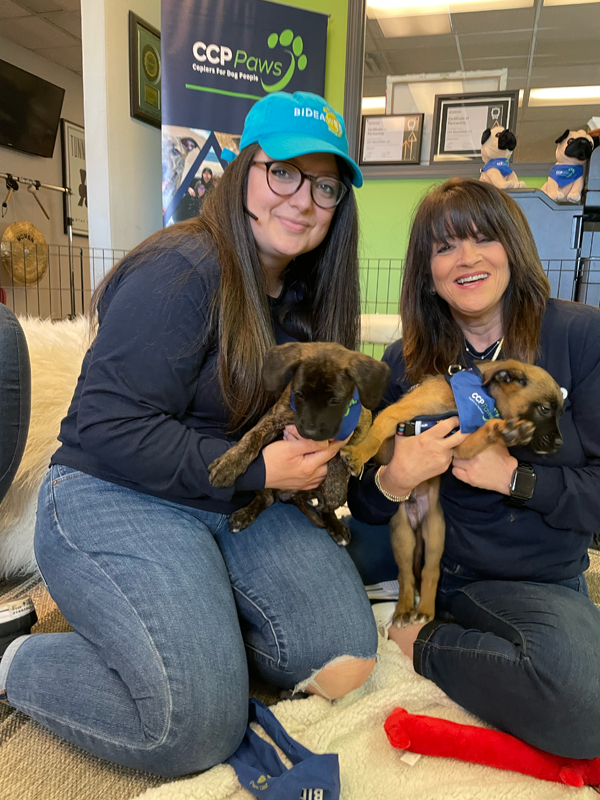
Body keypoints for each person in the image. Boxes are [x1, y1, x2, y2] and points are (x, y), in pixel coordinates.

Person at [0, 91, 378, 777]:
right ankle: (15, 657)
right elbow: (109, 431)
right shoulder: (180, 270)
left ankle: (194, 627)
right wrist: (264, 470)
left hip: (222, 500)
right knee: (196, 726)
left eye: (325, 186)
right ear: (242, 171)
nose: (303, 199)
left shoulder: (302, 294)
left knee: (342, 659)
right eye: (283, 172)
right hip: (111, 492)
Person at [347, 177, 600, 759]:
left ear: (513, 246)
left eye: (483, 238)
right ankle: (431, 626)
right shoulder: (406, 361)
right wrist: (395, 477)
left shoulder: (580, 337)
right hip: (445, 568)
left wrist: (516, 478)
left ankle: (427, 643)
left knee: (587, 706)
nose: (466, 259)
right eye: (444, 247)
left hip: (542, 577)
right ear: (426, 271)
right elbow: (365, 502)